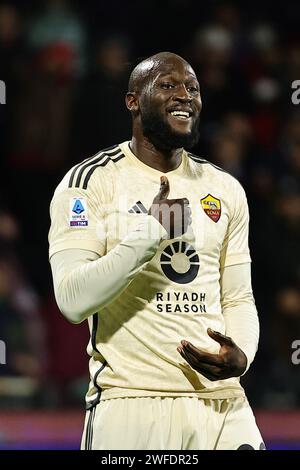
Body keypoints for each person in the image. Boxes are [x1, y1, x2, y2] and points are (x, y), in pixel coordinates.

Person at [49, 52, 265, 450]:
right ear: (133, 101)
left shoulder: (225, 188)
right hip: (131, 400)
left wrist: (243, 355)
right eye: (168, 85)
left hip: (222, 404)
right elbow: (73, 300)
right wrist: (149, 231)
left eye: (193, 88)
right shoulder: (90, 182)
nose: (184, 95)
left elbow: (238, 295)